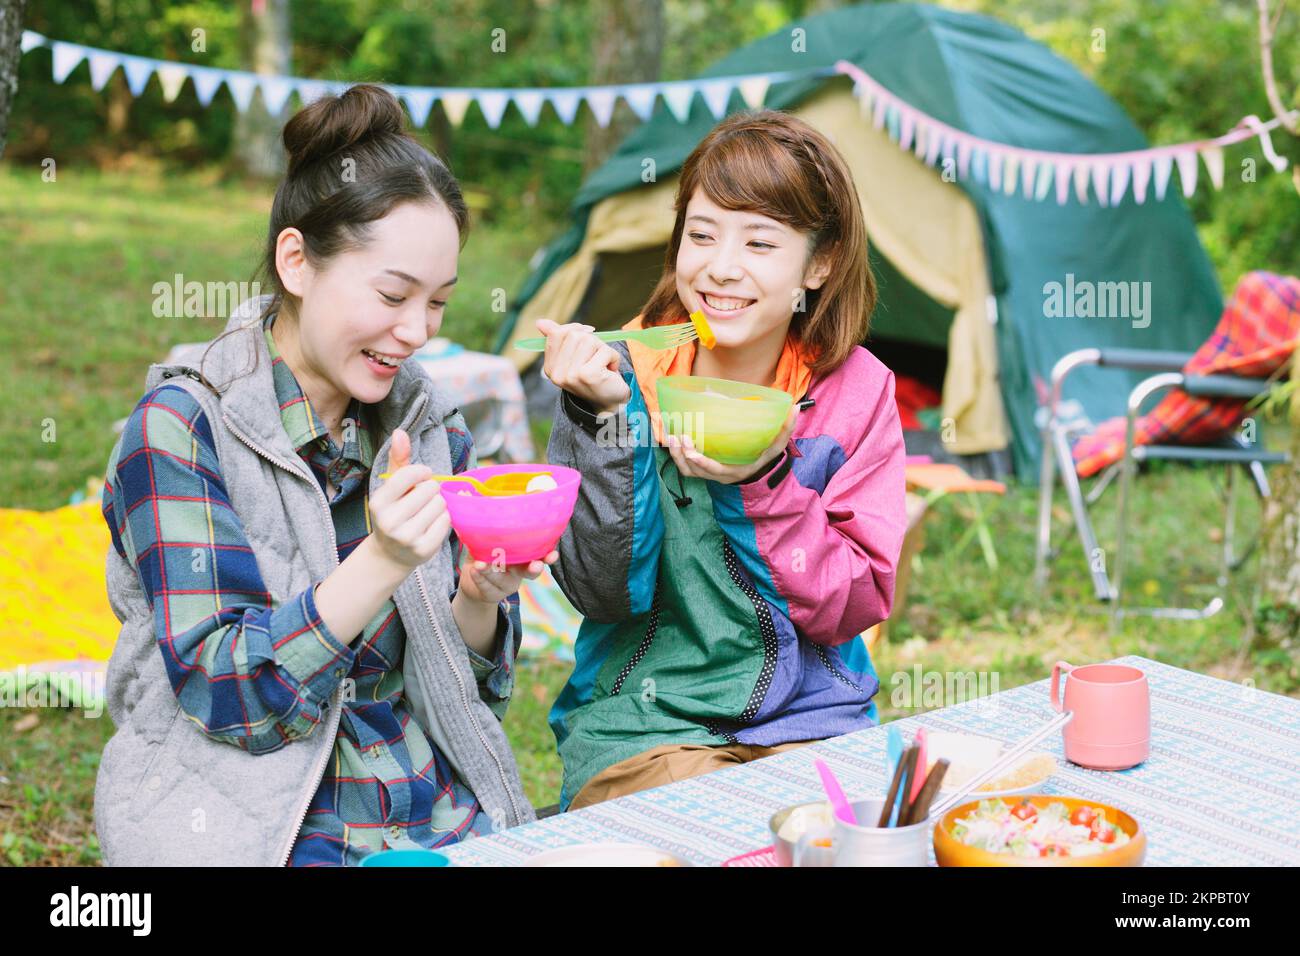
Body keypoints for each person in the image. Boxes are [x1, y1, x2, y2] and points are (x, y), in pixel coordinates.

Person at [95, 84, 550, 866]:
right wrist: (382, 561)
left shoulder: (427, 424)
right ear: (297, 262)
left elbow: (468, 683)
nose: (416, 332)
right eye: (392, 294)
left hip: (427, 812)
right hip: (254, 825)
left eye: (438, 303)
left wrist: (478, 598)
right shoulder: (179, 429)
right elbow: (228, 695)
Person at [538, 110, 907, 811]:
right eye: (701, 234)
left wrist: (766, 483)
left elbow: (853, 605)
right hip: (646, 720)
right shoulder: (616, 375)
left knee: (846, 838)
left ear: (819, 263)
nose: (721, 267)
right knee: (703, 826)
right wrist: (609, 422)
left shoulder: (855, 393)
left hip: (812, 717)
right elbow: (601, 594)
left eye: (760, 242)